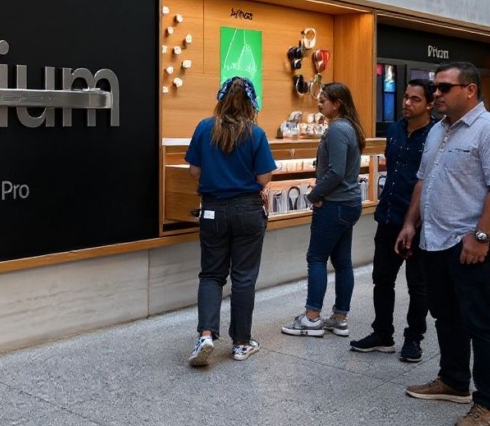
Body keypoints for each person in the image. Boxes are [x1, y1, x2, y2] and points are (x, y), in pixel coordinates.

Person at [397, 61, 490, 426]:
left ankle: (488, 406)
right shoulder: (437, 131)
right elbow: (423, 181)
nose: (436, 94)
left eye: (444, 88)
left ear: (470, 90)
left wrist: (481, 236)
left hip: (472, 245)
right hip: (435, 240)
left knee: (481, 322)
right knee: (446, 316)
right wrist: (410, 223)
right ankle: (453, 380)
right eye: (435, 88)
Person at [185, 77, 276, 366]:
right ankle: (240, 343)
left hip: (212, 210)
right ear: (250, 103)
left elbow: (193, 171)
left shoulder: (203, 128)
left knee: (211, 274)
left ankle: (206, 335)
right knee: (244, 277)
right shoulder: (256, 133)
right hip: (247, 211)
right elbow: (263, 177)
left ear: (220, 99)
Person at [349, 79, 434, 362]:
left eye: (415, 99)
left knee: (418, 284)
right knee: (382, 280)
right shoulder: (395, 129)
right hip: (388, 216)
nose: (407, 103)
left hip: (419, 222)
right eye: (405, 97)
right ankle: (383, 333)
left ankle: (414, 339)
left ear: (430, 104)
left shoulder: (436, 135)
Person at [281, 82, 365, 337]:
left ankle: (312, 318)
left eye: (323, 100)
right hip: (348, 203)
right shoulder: (348, 127)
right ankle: (339, 318)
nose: (319, 105)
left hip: (334, 204)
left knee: (316, 258)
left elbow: (336, 171)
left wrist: (313, 195)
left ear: (337, 103)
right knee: (342, 262)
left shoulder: (337, 130)